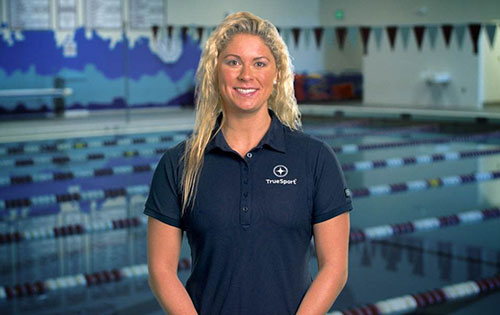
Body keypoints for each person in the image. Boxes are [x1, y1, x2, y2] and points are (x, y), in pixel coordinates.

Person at [144, 11, 353, 315]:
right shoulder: (179, 163)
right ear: (217, 71)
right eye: (233, 62)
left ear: (277, 73)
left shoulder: (315, 158)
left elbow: (334, 268)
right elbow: (161, 270)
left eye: (259, 63)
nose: (246, 75)